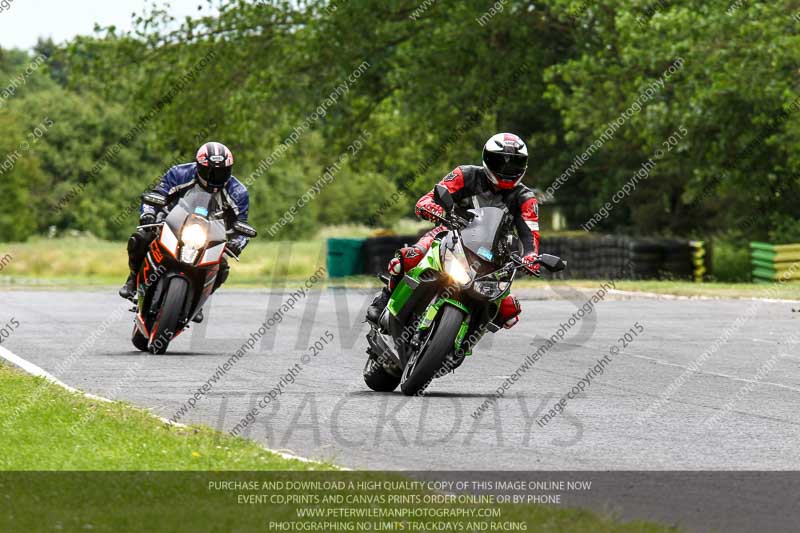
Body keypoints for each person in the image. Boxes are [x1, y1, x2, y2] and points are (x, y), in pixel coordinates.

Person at [367, 132, 540, 330]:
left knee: (509, 314)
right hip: (451, 234)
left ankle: (465, 339)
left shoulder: (526, 198)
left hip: (494, 256)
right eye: (500, 162)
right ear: (487, 159)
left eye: (513, 164)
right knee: (409, 258)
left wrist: (531, 257)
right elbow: (429, 198)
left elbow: (530, 233)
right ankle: (385, 299)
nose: (506, 169)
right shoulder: (465, 174)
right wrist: (432, 207)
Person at [118, 142, 251, 323]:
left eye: (221, 172)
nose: (215, 177)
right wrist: (148, 214)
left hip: (209, 234)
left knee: (221, 266)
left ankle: (198, 301)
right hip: (171, 222)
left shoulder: (238, 192)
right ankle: (133, 279)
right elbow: (155, 194)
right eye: (210, 171)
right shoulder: (179, 174)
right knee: (140, 238)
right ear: (198, 167)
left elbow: (242, 225)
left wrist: (237, 243)